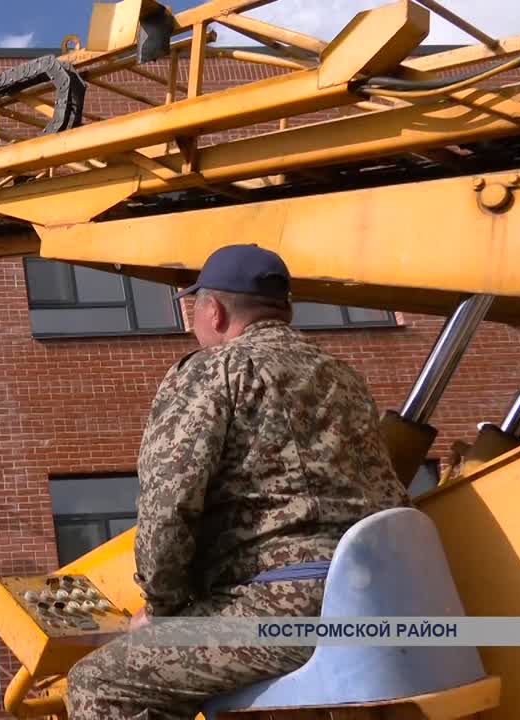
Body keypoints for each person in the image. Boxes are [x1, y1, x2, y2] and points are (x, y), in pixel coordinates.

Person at [66, 244, 411, 720]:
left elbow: (169, 506)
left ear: (214, 311)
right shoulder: (344, 376)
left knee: (99, 683)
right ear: (283, 309)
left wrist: (162, 609)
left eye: (194, 312)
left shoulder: (217, 369)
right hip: (383, 600)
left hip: (284, 612)